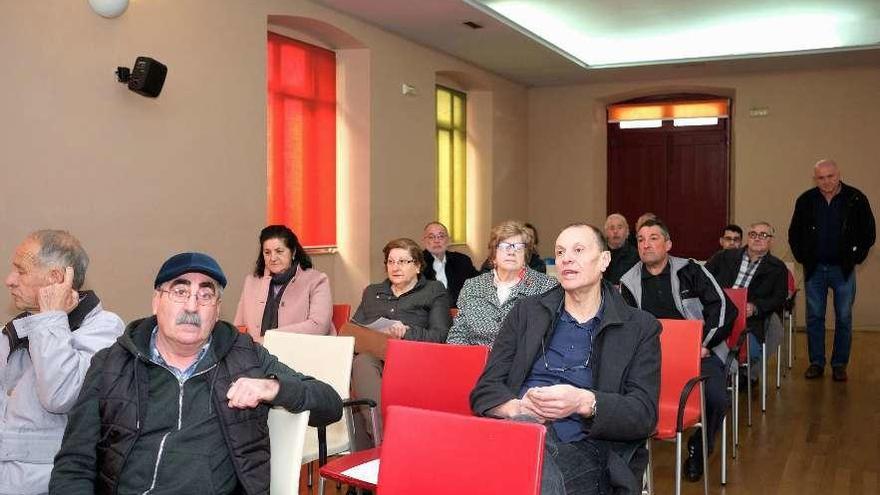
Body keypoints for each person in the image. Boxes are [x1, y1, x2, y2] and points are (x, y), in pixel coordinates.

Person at [49, 252, 342, 494]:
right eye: (180, 292)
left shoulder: (244, 356)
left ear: (217, 310)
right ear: (157, 302)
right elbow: (74, 462)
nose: (192, 306)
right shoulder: (111, 364)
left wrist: (273, 387)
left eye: (205, 296)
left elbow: (329, 404)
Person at [471, 224, 660, 495]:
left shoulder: (639, 327)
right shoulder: (526, 314)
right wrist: (516, 409)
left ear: (604, 260)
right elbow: (485, 390)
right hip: (514, 433)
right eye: (560, 252)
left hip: (587, 447)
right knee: (523, 446)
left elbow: (643, 414)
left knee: (516, 475)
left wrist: (585, 402)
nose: (566, 258)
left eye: (578, 250)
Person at [1, 230, 123, 495]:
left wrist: (51, 317)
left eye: (20, 271)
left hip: (48, 483)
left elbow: (59, 396)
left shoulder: (105, 329)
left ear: (56, 278)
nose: (9, 280)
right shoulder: (16, 329)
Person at [619, 218, 735, 483]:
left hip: (697, 354)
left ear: (668, 244)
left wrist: (704, 344)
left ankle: (699, 445)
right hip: (651, 360)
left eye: (653, 238)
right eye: (640, 239)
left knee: (717, 398)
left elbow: (725, 309)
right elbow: (625, 328)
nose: (646, 244)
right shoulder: (628, 282)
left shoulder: (691, 271)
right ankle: (630, 463)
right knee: (618, 396)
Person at [350, 238, 451, 447]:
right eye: (390, 262)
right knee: (361, 363)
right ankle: (386, 440)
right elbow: (353, 331)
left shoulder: (434, 290)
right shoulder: (372, 292)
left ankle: (383, 446)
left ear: (417, 266)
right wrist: (378, 331)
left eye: (403, 262)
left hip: (414, 360)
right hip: (376, 357)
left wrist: (407, 332)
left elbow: (441, 336)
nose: (395, 267)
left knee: (362, 378)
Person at [789, 159, 875, 381]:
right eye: (821, 178)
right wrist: (803, 257)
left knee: (844, 317)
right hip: (815, 269)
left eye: (830, 176)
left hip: (843, 270)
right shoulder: (806, 200)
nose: (826, 181)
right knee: (815, 317)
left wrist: (856, 256)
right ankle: (816, 362)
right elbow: (794, 232)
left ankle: (839, 364)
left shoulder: (856, 199)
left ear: (838, 174)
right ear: (815, 179)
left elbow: (869, 233)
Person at [447, 221, 557, 348]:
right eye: (505, 246)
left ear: (525, 255)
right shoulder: (472, 286)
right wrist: (468, 359)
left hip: (523, 364)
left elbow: (550, 337)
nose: (511, 252)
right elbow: (458, 332)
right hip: (477, 362)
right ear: (493, 255)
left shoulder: (545, 286)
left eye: (518, 247)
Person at [706, 222, 788, 381]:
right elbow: (703, 279)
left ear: (771, 241)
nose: (757, 238)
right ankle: (721, 378)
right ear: (747, 238)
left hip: (749, 323)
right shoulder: (724, 257)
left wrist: (756, 307)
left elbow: (779, 299)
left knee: (748, 348)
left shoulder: (777, 268)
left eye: (763, 235)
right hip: (718, 316)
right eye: (753, 234)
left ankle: (737, 376)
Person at [234, 225, 333, 342]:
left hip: (301, 352)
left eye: (279, 251)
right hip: (255, 355)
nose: (273, 258)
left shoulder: (316, 280)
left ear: (293, 252)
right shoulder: (251, 282)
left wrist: (270, 338)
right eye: (267, 252)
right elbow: (238, 327)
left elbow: (319, 325)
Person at [421, 221, 478, 306]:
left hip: (459, 311)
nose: (436, 241)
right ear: (424, 241)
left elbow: (477, 284)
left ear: (448, 240)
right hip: (428, 313)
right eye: (431, 237)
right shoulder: (417, 263)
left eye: (441, 236)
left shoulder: (462, 261)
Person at [603, 213, 639, 285]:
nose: (615, 231)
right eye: (612, 228)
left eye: (619, 227)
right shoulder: (599, 253)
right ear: (606, 232)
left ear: (627, 232)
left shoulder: (635, 255)